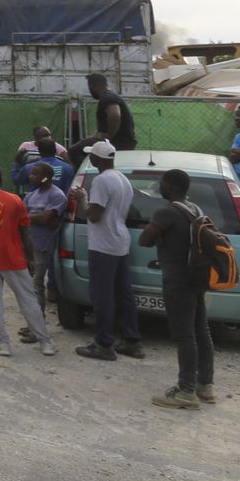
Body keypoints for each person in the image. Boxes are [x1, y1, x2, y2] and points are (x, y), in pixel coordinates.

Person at [137, 168, 216, 409]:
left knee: (184, 335)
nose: (159, 187)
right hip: (196, 277)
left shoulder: (166, 212)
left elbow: (144, 239)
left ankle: (185, 391)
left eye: (161, 183)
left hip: (177, 281)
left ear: (170, 186)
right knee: (201, 330)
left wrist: (161, 238)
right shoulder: (196, 209)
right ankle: (205, 385)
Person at [0, 164, 56, 357]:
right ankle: (45, 343)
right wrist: (30, 257)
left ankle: (3, 343)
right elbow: (25, 232)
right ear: (1, 179)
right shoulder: (15, 200)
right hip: (13, 258)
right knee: (28, 299)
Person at [74, 140, 143, 361]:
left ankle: (104, 344)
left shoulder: (102, 181)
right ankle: (132, 340)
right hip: (120, 241)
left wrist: (82, 199)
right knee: (124, 293)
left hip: (103, 244)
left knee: (102, 295)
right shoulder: (122, 178)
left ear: (97, 159)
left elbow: (94, 215)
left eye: (92, 156)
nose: (90, 158)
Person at [24, 159, 69, 317]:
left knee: (36, 285)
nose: (30, 176)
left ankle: (37, 325)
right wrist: (39, 218)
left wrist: (32, 218)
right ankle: (33, 322)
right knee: (28, 286)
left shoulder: (57, 195)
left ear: (46, 177)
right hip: (29, 245)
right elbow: (30, 218)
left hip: (43, 246)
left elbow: (47, 219)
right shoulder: (32, 195)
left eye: (35, 174)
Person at [79, 73, 137, 154]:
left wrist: (108, 138)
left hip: (119, 143)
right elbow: (104, 128)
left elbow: (115, 115)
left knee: (75, 151)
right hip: (122, 142)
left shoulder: (108, 98)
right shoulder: (109, 97)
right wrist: (93, 137)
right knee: (82, 145)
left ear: (93, 86)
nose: (90, 90)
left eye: (89, 87)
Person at [10, 125, 61, 192]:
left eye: (49, 135)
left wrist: (16, 162)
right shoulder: (67, 169)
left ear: (39, 151)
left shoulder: (29, 167)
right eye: (46, 135)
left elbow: (16, 180)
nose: (49, 138)